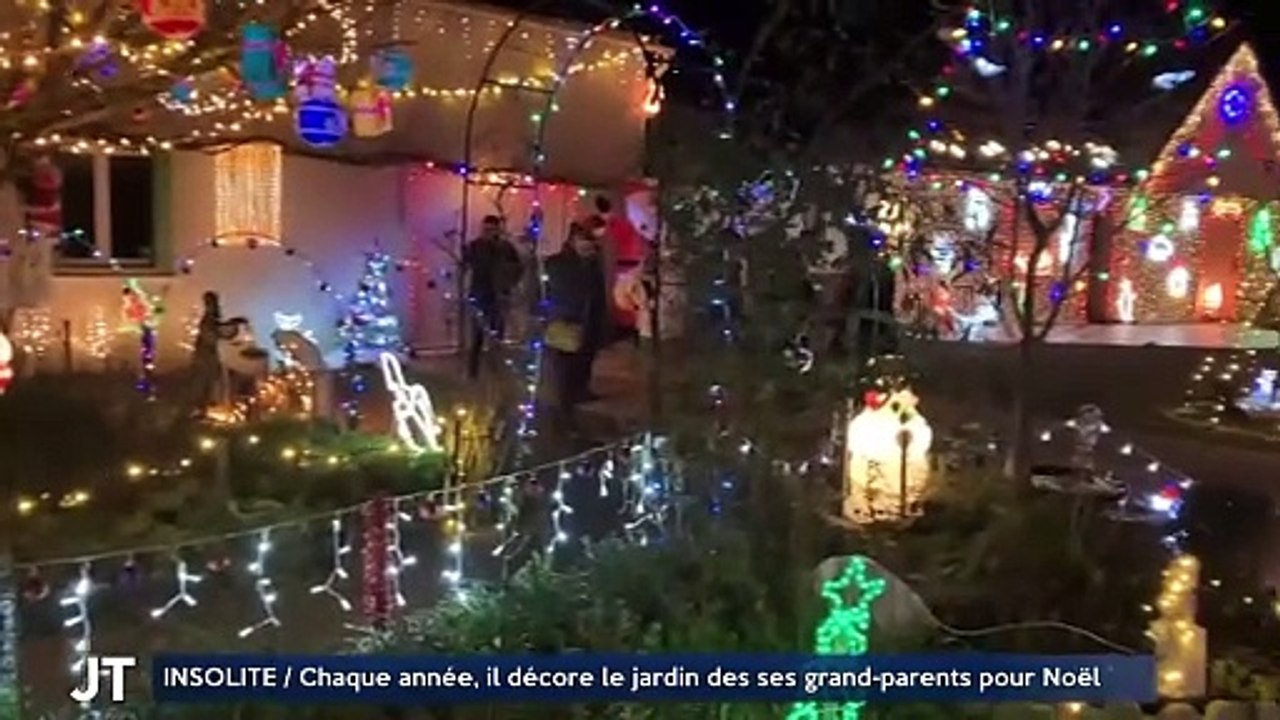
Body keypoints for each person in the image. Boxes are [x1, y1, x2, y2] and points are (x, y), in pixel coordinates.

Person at [545, 223, 607, 430]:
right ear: (573, 240)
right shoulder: (557, 263)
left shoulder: (592, 264)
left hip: (589, 321)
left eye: (591, 242)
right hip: (565, 322)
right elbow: (545, 291)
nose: (589, 246)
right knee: (564, 371)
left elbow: (597, 294)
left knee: (583, 363)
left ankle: (577, 397)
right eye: (584, 241)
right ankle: (563, 416)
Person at [462, 215, 521, 378]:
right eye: (486, 229)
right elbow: (465, 266)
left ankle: (496, 370)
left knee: (497, 337)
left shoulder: (505, 247)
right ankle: (472, 372)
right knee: (477, 337)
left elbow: (517, 268)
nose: (488, 233)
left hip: (498, 297)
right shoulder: (474, 246)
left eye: (492, 229)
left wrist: (508, 285)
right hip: (480, 295)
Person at [190, 291, 233, 416]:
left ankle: (204, 408)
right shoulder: (208, 319)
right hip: (206, 355)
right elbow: (210, 336)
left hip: (207, 355)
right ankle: (202, 409)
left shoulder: (211, 319)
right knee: (206, 382)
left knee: (209, 381)